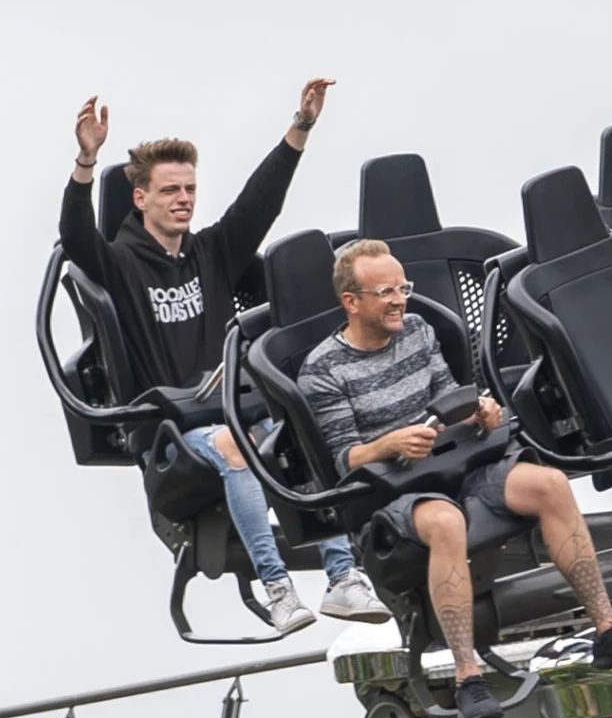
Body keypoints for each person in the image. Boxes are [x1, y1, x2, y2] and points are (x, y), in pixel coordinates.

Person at [63, 80, 383, 631]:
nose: (183, 198)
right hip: (172, 430)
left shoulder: (210, 252)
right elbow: (75, 237)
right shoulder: (120, 264)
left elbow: (259, 203)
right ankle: (278, 588)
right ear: (141, 198)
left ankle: (343, 578)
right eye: (169, 190)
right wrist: (87, 162)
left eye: (189, 188)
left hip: (237, 408)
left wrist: (300, 127)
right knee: (236, 445)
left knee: (302, 433)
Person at [301, 240, 612, 718]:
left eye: (402, 288)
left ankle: (608, 631)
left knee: (550, 484)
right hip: (392, 494)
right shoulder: (323, 369)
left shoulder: (416, 330)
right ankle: (467, 676)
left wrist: (480, 409)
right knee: (447, 523)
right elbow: (345, 458)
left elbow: (449, 399)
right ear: (352, 302)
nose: (399, 300)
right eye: (386, 291)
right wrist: (389, 444)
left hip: (457, 463)